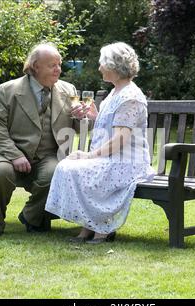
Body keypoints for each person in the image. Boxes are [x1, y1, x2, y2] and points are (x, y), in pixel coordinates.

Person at [45, 42, 155, 244]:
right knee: (68, 166)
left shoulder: (130, 97)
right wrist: (94, 115)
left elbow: (120, 139)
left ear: (114, 66)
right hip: (112, 157)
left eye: (102, 64)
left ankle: (102, 229)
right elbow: (108, 127)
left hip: (128, 162)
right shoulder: (115, 92)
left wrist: (88, 155)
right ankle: (89, 226)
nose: (99, 68)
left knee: (78, 169)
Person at [0, 43, 82, 238]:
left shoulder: (69, 89)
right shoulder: (8, 89)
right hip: (9, 153)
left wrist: (84, 117)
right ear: (35, 66)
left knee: (57, 173)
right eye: (52, 65)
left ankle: (30, 216)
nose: (58, 69)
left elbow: (80, 128)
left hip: (49, 155)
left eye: (59, 64)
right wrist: (15, 155)